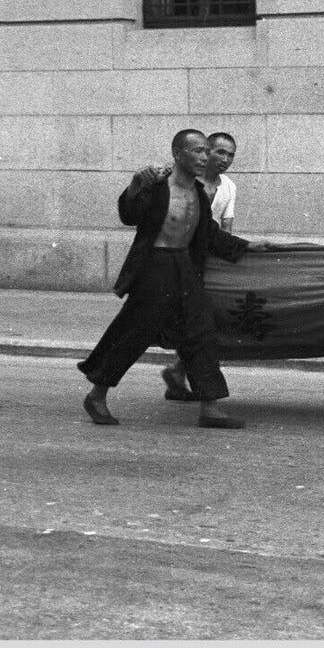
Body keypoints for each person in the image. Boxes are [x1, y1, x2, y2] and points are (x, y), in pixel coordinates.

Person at [77, 129, 268, 428]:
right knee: (133, 333)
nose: (205, 157)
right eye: (197, 151)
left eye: (207, 151)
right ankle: (97, 395)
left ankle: (210, 407)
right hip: (155, 266)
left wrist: (246, 246)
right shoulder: (157, 188)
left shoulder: (201, 195)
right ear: (177, 154)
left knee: (202, 331)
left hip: (184, 266)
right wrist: (135, 185)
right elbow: (129, 215)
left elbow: (209, 234)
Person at [162, 131, 238, 402]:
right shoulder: (182, 184)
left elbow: (222, 230)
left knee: (200, 326)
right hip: (171, 266)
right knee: (140, 330)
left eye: (230, 155)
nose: (224, 159)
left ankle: (190, 385)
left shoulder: (226, 187)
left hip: (203, 265)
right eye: (218, 152)